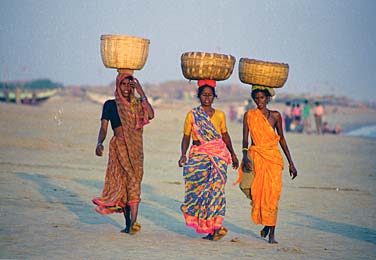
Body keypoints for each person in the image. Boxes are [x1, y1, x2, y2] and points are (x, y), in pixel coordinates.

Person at [92, 72, 154, 235]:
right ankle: (129, 224)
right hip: (118, 148)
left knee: (134, 182)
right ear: (118, 86)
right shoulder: (110, 105)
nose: (126, 88)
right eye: (123, 84)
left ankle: (133, 223)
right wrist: (100, 142)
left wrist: (141, 92)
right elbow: (104, 127)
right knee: (123, 185)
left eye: (129, 85)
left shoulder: (137, 104)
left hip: (135, 150)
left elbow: (151, 115)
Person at [178, 79, 239, 241]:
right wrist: (183, 154)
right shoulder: (192, 115)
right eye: (204, 95)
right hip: (199, 155)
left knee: (216, 191)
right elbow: (186, 136)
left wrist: (233, 154)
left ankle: (216, 228)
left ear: (214, 96)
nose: (207, 98)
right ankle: (209, 227)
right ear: (199, 96)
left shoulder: (220, 115)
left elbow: (225, 135)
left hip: (218, 155)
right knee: (198, 191)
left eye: (210, 95)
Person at [239, 85, 297, 244]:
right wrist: (245, 155)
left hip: (273, 160)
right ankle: (266, 221)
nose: (259, 101)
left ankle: (271, 232)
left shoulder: (276, 116)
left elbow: (282, 139)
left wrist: (291, 163)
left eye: (262, 98)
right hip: (256, 157)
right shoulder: (249, 115)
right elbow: (245, 138)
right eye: (256, 98)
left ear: (268, 98)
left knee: (272, 195)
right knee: (248, 187)